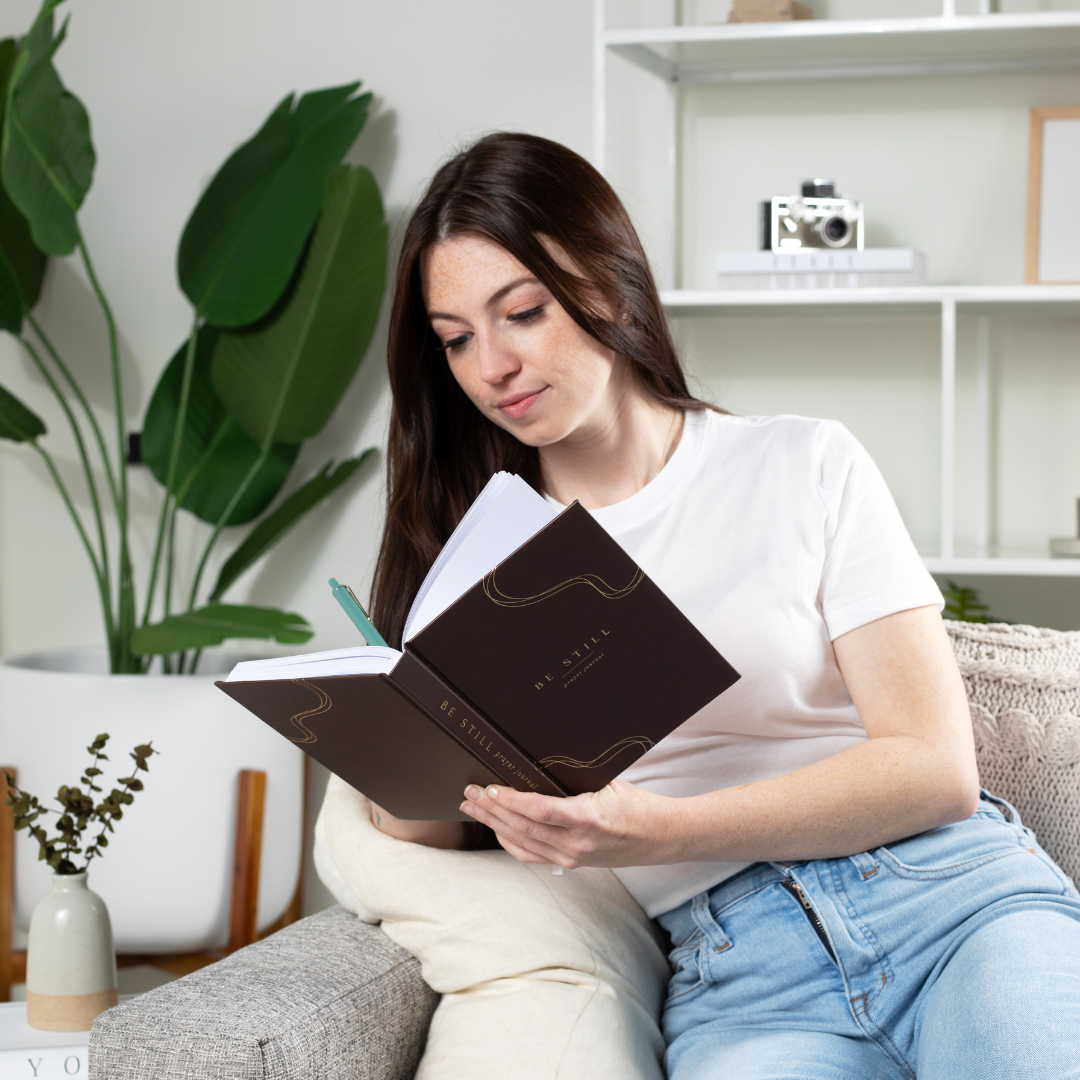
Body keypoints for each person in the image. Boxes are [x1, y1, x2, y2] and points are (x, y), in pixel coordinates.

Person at [365, 132, 1080, 1079]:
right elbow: (417, 829)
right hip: (741, 979)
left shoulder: (803, 463)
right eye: (456, 339)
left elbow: (933, 770)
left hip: (948, 902)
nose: (492, 365)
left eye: (523, 313)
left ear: (609, 285)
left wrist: (657, 831)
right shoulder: (479, 562)